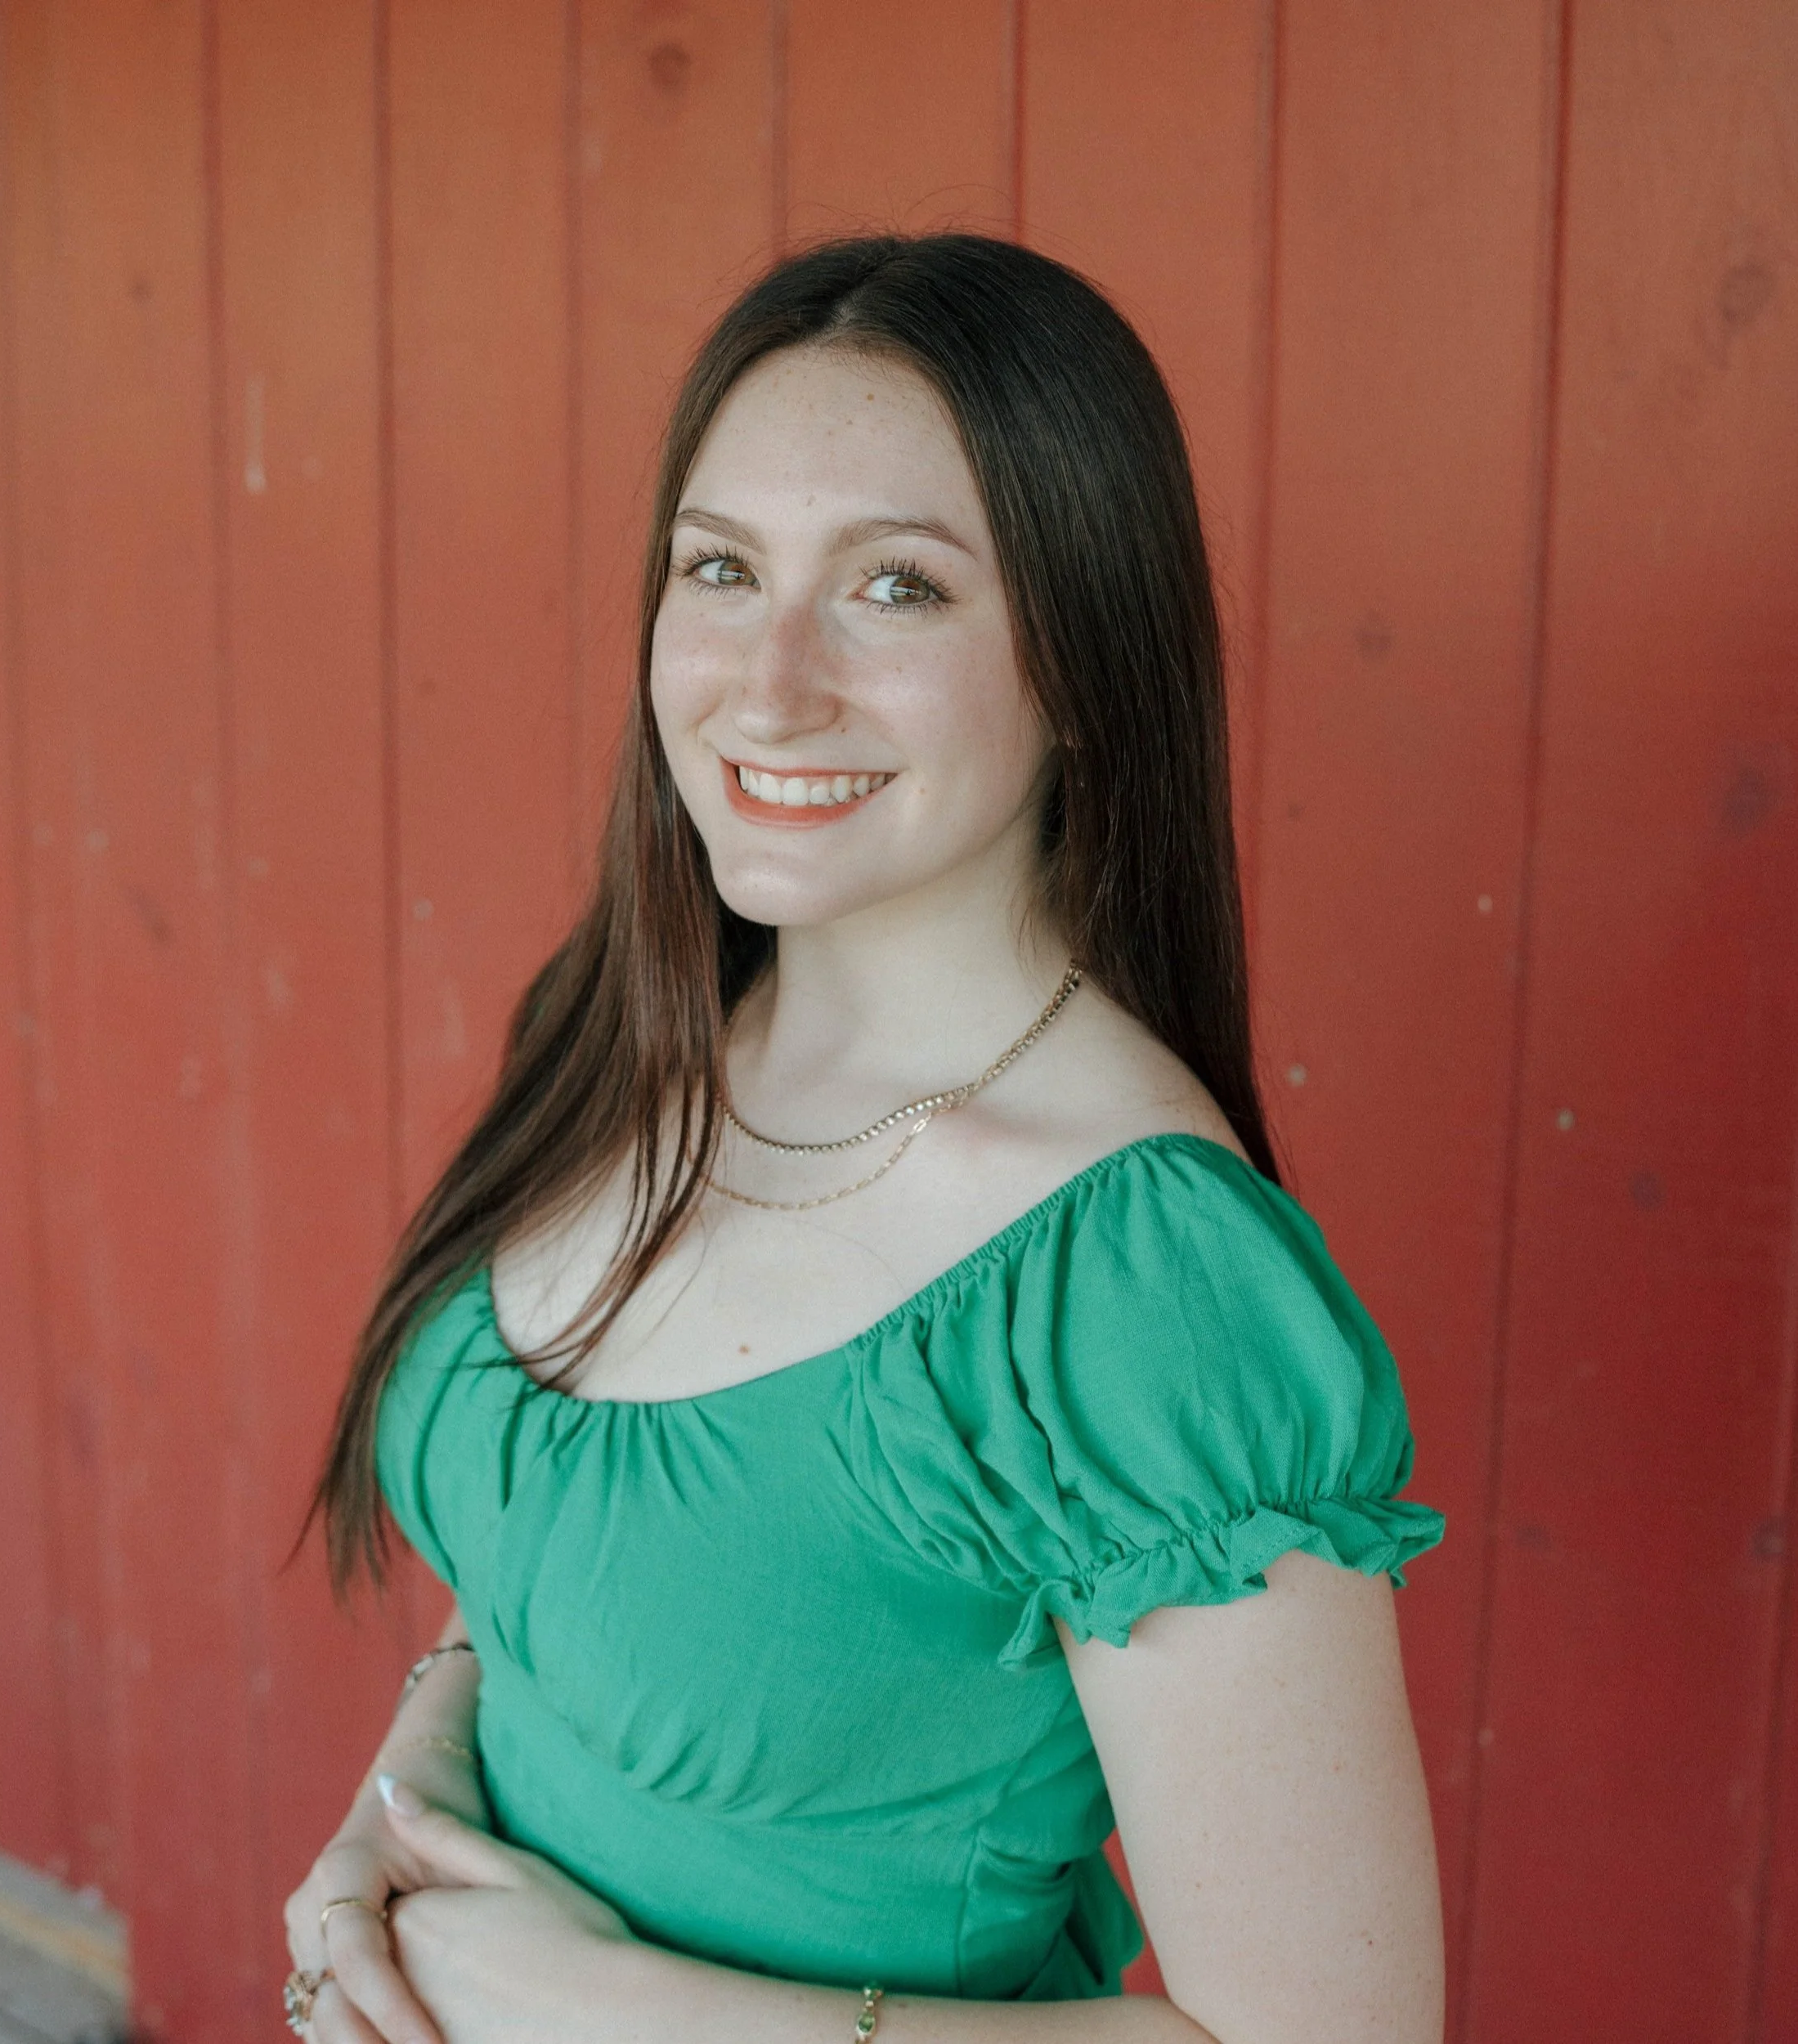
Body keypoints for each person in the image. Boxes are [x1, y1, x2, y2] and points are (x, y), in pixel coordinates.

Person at [284, 232, 1446, 2044]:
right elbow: (547, 1585)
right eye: (720, 567)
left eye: (896, 588)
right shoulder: (624, 1035)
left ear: (1084, 650)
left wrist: (598, 2005)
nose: (765, 682)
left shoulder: (1129, 1285)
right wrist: (399, 1808)